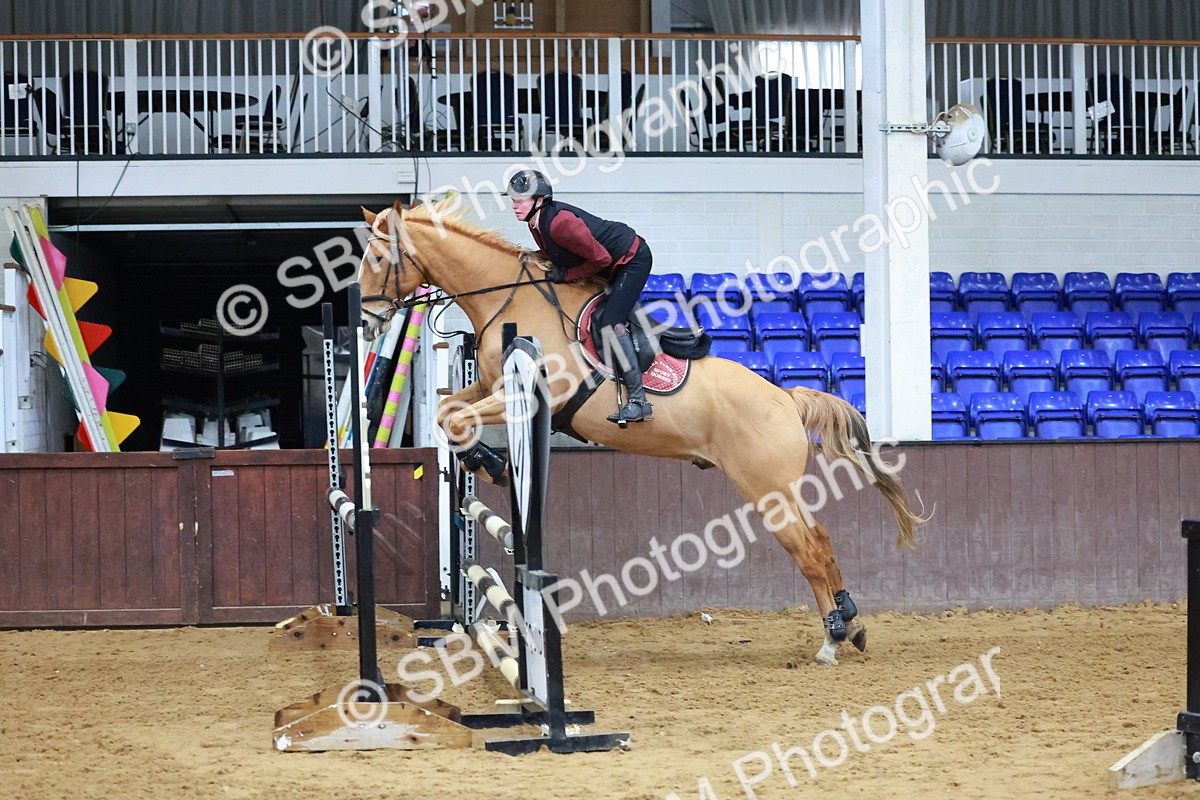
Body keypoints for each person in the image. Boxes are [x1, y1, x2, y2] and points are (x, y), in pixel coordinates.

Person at [506, 169, 654, 424]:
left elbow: (601, 259)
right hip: (610, 263)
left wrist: (566, 276)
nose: (514, 206)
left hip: (631, 260)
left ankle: (639, 401)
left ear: (539, 200)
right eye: (513, 200)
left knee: (610, 323)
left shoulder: (560, 223)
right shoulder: (536, 223)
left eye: (520, 200)